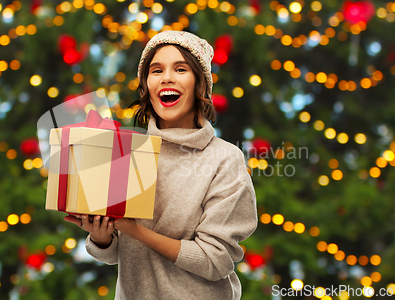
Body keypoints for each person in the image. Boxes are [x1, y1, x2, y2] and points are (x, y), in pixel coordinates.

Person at [64, 30, 257, 299]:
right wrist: (102, 237)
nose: (167, 77)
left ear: (200, 85)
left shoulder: (224, 159)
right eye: (156, 70)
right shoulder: (124, 152)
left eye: (180, 69)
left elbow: (215, 260)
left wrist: (135, 230)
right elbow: (118, 253)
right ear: (146, 87)